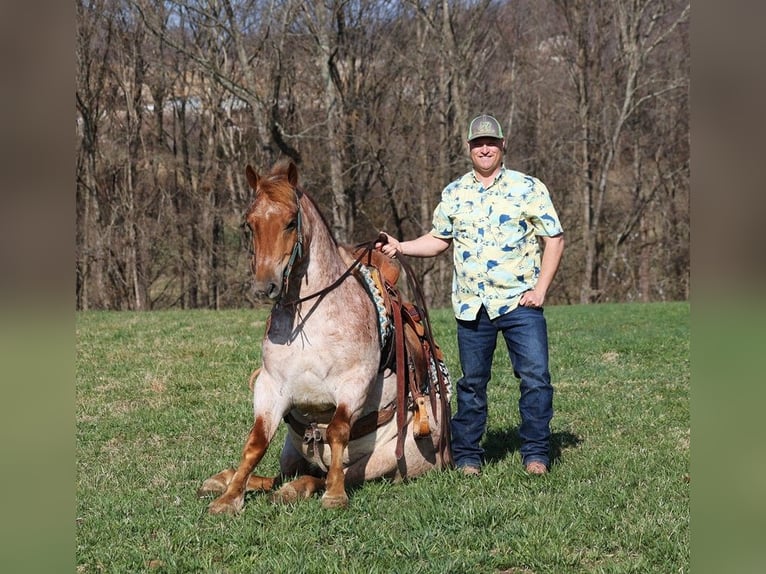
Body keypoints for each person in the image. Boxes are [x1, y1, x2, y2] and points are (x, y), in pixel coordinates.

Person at [376, 113, 565, 476]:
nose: (484, 148)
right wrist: (401, 246)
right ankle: (467, 457)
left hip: (518, 303)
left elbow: (554, 238)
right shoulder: (455, 193)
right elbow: (439, 240)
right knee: (472, 385)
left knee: (535, 379)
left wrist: (540, 290)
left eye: (490, 142)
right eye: (478, 143)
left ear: (502, 144)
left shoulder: (528, 187)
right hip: (472, 307)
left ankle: (536, 454)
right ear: (468, 148)